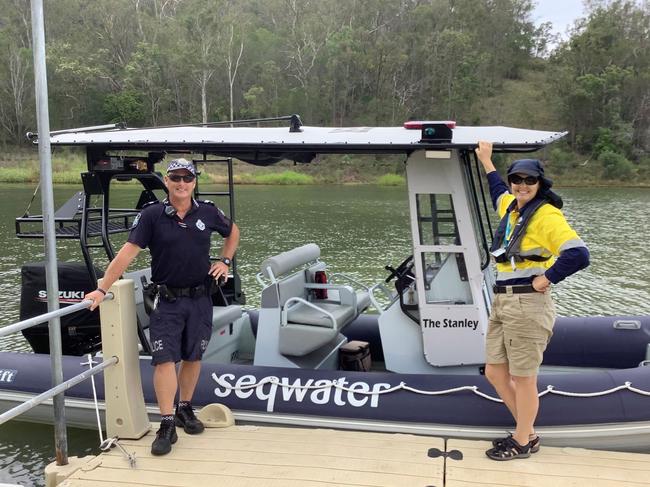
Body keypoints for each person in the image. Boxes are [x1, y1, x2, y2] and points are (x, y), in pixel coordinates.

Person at [86, 158, 240, 456]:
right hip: (166, 301)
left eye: (187, 178)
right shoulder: (152, 215)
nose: (181, 183)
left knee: (193, 356)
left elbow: (233, 232)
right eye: (175, 178)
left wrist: (224, 260)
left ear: (194, 182)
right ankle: (167, 422)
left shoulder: (208, 211)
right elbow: (126, 255)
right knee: (165, 360)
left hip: (200, 299)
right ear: (166, 182)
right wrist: (102, 288)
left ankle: (185, 409)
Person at [475, 141, 589, 461]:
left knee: (523, 378)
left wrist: (548, 278)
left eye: (529, 180)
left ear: (540, 184)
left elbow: (578, 254)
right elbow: (496, 189)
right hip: (502, 302)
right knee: (495, 373)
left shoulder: (545, 216)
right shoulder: (511, 206)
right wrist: (487, 160)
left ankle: (522, 440)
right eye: (517, 179)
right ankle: (529, 432)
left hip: (527, 303)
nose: (522, 185)